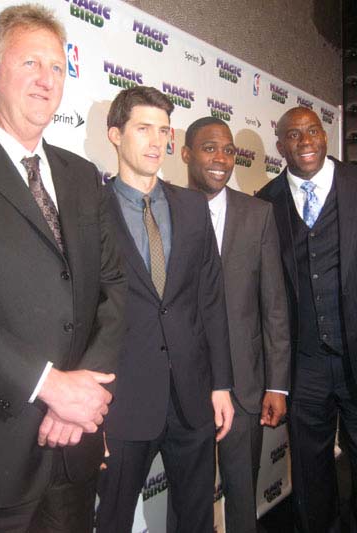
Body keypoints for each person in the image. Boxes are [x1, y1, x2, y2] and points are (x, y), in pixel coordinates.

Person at [0, 4, 126, 532]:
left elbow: (114, 289)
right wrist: (48, 386)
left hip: (74, 450)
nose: (46, 80)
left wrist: (81, 397)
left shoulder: (81, 177)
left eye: (56, 67)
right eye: (31, 63)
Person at [96, 86, 234, 533]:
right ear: (115, 135)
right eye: (143, 129)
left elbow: (210, 300)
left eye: (163, 130)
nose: (157, 142)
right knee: (113, 520)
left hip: (192, 399)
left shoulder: (192, 206)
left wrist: (221, 385)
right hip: (121, 403)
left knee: (195, 520)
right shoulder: (91, 210)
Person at [181, 116, 290, 533]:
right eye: (210, 148)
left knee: (243, 500)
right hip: (184, 387)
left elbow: (273, 306)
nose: (221, 158)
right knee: (188, 504)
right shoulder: (166, 207)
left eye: (228, 150)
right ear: (187, 153)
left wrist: (277, 384)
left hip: (245, 388)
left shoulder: (258, 215)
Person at [258, 106, 357, 533]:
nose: (306, 141)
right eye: (293, 135)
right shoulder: (265, 202)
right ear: (281, 146)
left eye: (312, 130)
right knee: (311, 474)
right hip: (305, 365)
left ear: (325, 135)